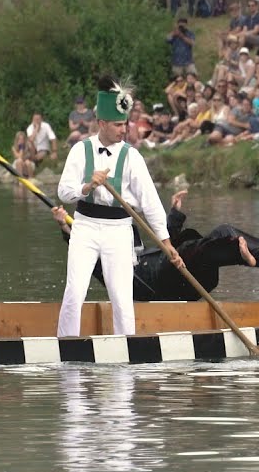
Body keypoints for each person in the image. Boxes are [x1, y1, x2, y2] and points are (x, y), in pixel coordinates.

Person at [53, 77, 182, 337]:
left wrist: (166, 242)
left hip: (119, 230)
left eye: (125, 124)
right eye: (117, 125)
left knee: (122, 296)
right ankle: (66, 344)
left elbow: (150, 202)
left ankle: (125, 349)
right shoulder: (80, 150)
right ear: (101, 123)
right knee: (75, 290)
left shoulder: (132, 156)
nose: (124, 130)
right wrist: (87, 187)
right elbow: (63, 192)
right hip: (85, 226)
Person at [53, 190, 259, 301]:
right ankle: (257, 257)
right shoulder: (113, 269)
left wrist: (174, 213)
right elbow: (86, 256)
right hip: (166, 286)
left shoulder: (139, 251)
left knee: (218, 236)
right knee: (204, 245)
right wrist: (66, 228)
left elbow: (167, 242)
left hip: (191, 278)